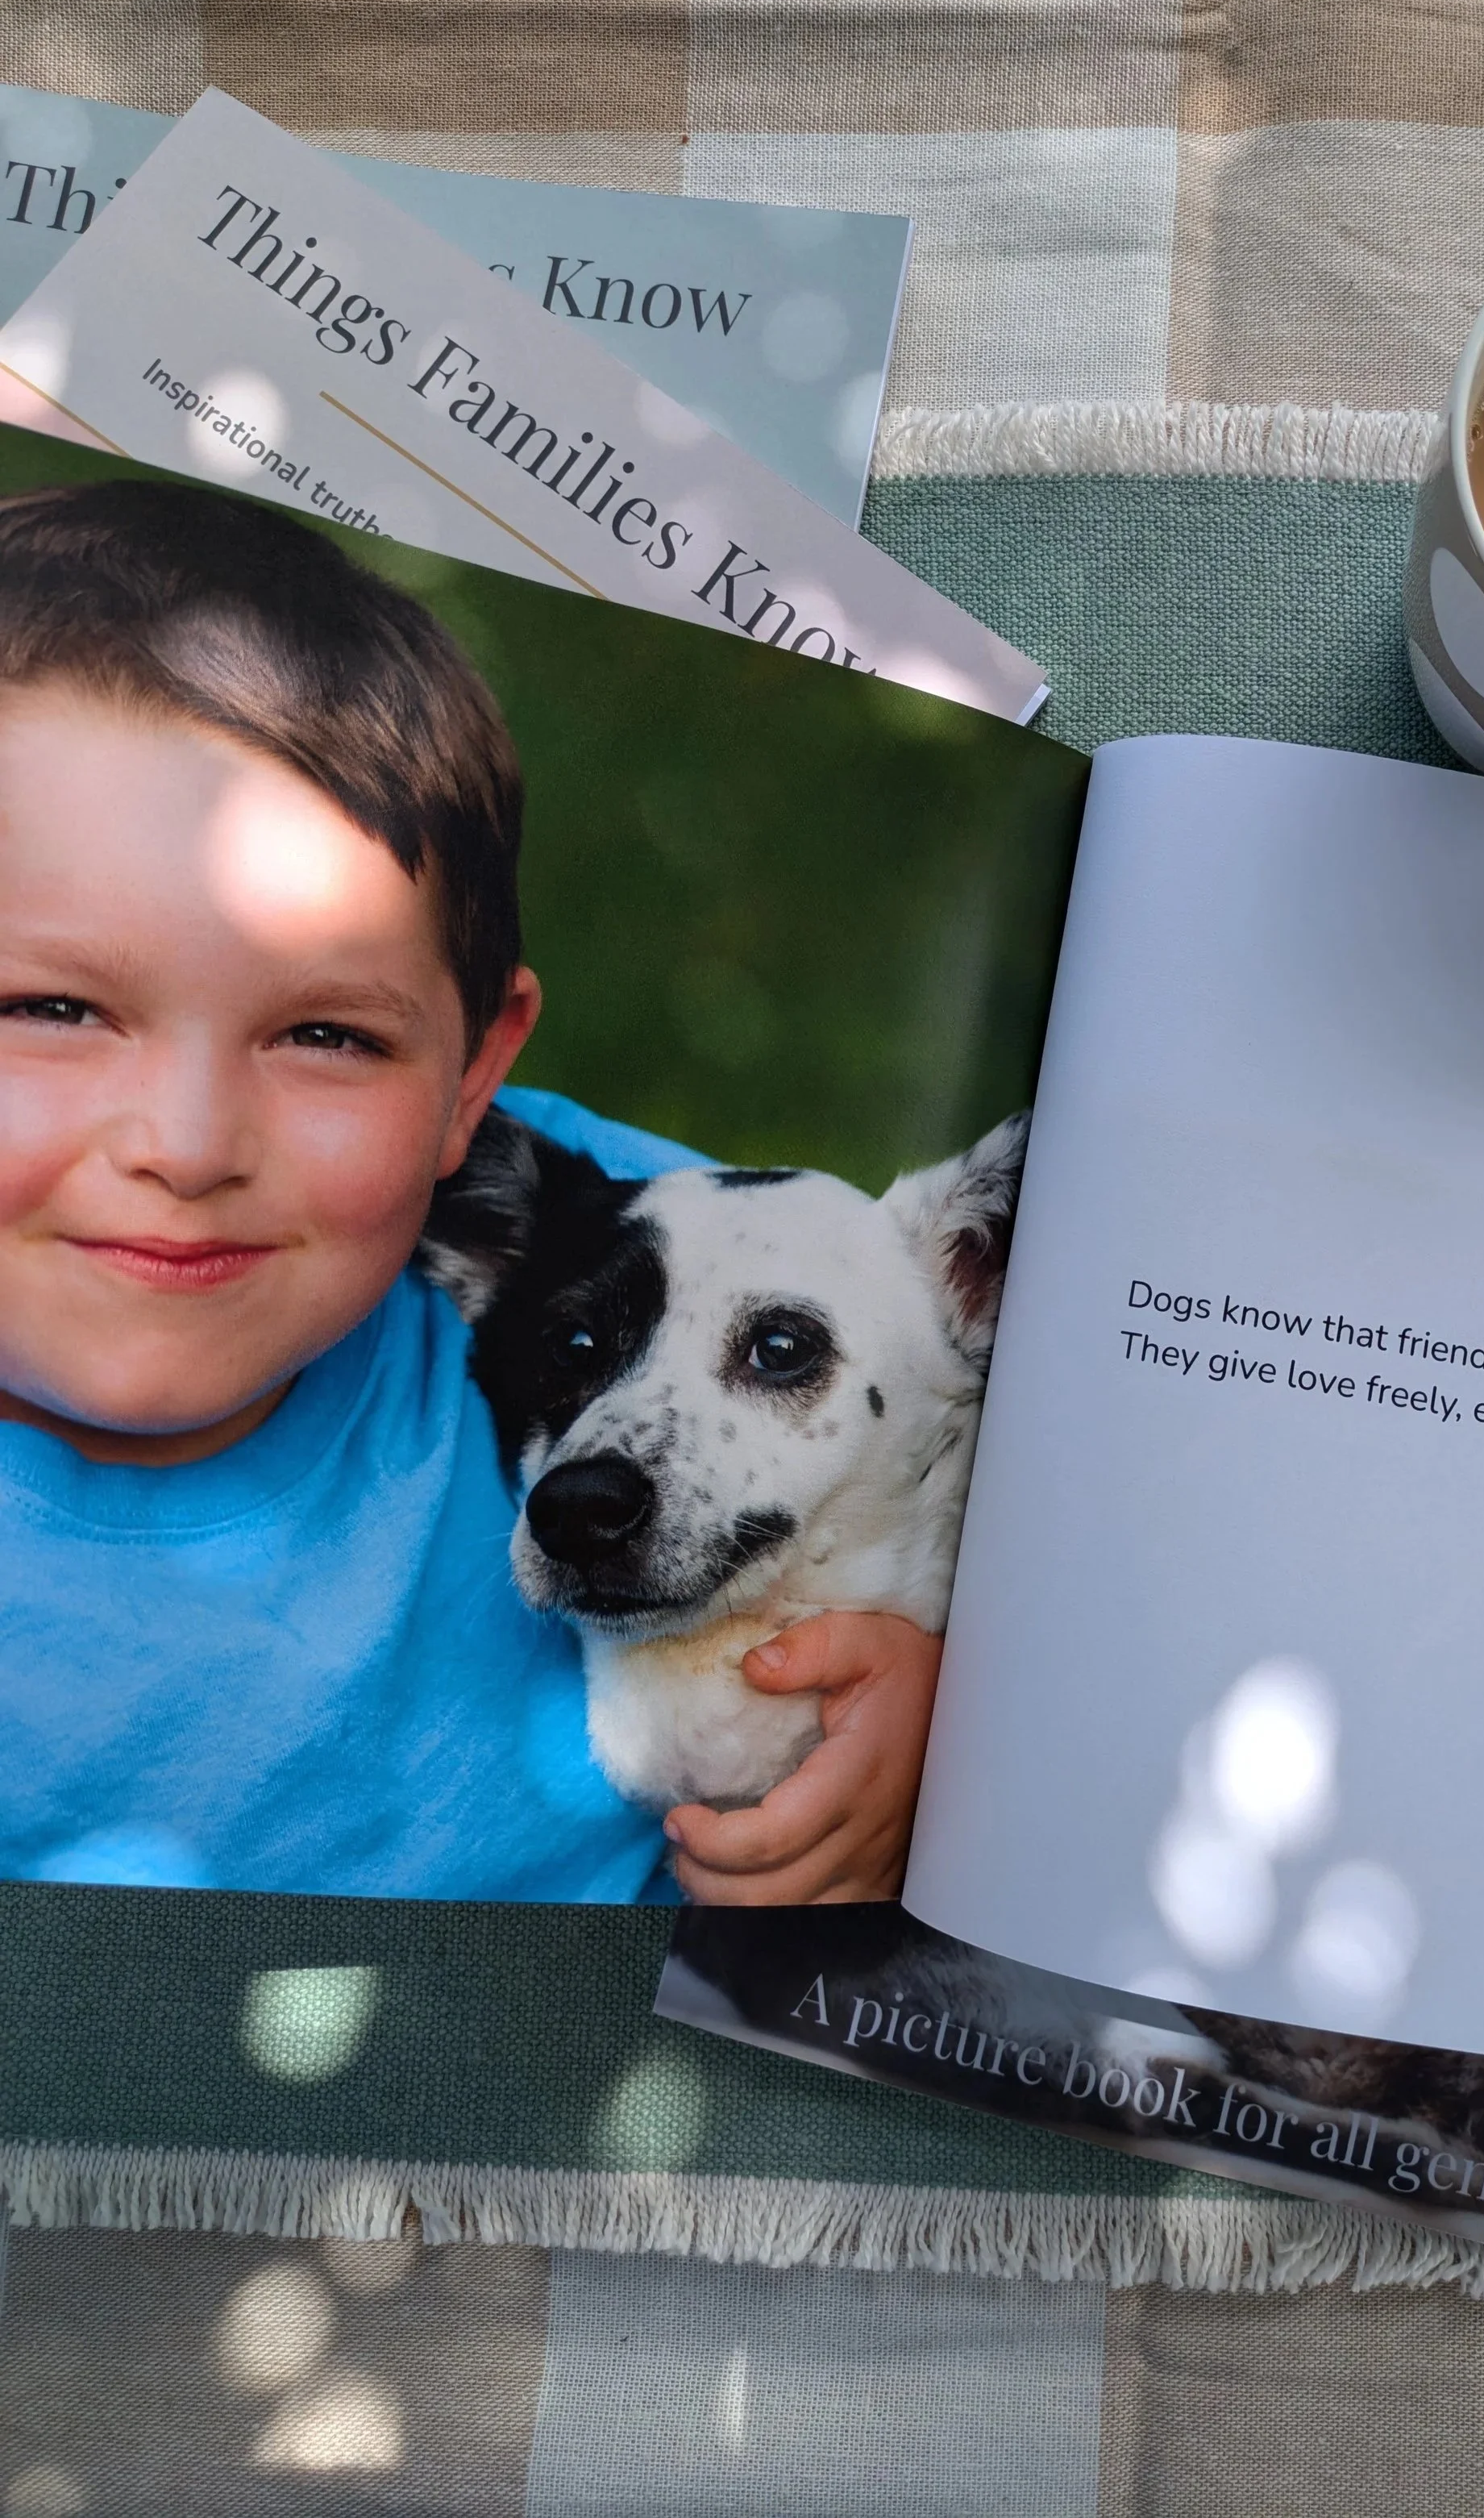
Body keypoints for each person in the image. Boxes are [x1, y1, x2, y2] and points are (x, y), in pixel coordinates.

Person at [0, 478, 938, 1903]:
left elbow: (983, 1403)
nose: (188, 1147)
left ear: (470, 1078)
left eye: (327, 1036)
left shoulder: (615, 1241)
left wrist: (935, 1690)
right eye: (54, 1009)